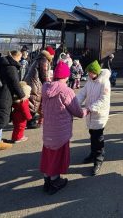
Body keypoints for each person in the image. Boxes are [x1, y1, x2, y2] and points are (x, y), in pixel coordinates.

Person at [40, 61, 85, 194]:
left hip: (48, 129)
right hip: (61, 131)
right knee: (58, 157)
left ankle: (46, 180)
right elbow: (78, 112)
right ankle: (55, 181)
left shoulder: (45, 87)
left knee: (48, 155)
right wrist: (86, 111)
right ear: (66, 76)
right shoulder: (66, 91)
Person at [0, 50, 25, 151]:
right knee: (0, 117)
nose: (20, 59)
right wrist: (22, 95)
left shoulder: (2, 63)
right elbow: (15, 83)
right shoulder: (10, 67)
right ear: (16, 56)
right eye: (20, 57)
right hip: (5, 94)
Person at [77, 60, 111, 176]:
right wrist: (75, 103)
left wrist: (89, 108)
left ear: (96, 72)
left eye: (91, 73)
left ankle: (98, 159)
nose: (89, 75)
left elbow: (103, 100)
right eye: (88, 73)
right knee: (92, 134)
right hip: (91, 114)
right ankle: (93, 154)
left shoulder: (104, 82)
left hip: (99, 114)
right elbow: (82, 93)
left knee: (98, 137)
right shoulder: (90, 81)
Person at [24, 46, 55, 129]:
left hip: (31, 82)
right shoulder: (44, 60)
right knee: (34, 102)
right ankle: (30, 122)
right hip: (36, 84)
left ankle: (28, 120)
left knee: (32, 102)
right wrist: (48, 83)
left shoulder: (39, 58)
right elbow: (44, 74)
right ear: (50, 54)